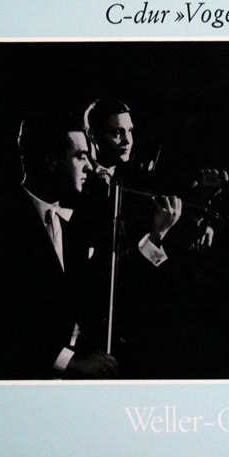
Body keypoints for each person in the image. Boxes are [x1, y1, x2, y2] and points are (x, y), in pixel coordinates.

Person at [0, 111, 119, 380]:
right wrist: (68, 362)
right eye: (81, 156)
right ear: (50, 162)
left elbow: (94, 296)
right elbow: (0, 322)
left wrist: (155, 238)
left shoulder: (72, 225)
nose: (91, 167)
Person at [83, 98, 183, 377]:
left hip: (128, 321)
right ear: (92, 135)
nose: (127, 140)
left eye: (130, 131)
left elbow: (143, 268)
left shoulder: (138, 182)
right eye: (117, 133)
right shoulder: (76, 181)